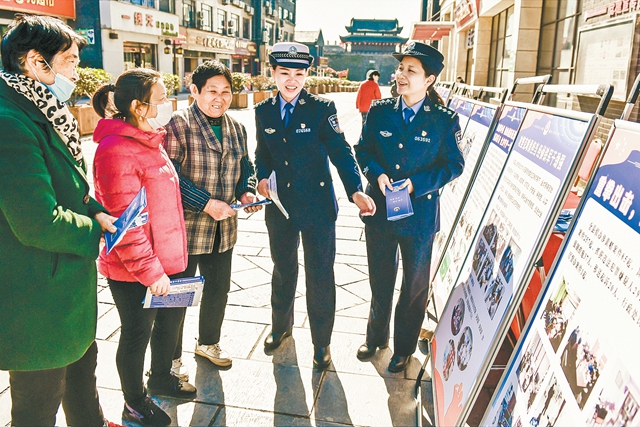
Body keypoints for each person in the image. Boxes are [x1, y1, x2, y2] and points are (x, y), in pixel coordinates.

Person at [0, 14, 121, 427]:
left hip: (64, 294)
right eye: (70, 61)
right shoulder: (9, 121)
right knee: (37, 406)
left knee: (81, 379)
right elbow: (38, 221)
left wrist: (94, 210)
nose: (77, 72)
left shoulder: (42, 107)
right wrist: (96, 232)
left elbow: (67, 185)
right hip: (37, 300)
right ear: (36, 62)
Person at [254, 42, 376, 370]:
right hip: (279, 208)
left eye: (299, 73)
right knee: (283, 271)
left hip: (318, 208)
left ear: (307, 74)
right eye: (284, 73)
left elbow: (341, 152)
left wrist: (355, 191)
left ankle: (322, 343)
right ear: (273, 74)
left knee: (320, 275)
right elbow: (262, 153)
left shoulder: (322, 108)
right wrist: (261, 177)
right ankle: (281, 328)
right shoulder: (263, 110)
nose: (292, 80)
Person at [92, 68, 198, 426]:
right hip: (136, 270)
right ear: (139, 107)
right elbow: (125, 225)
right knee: (137, 335)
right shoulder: (116, 151)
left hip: (168, 261)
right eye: (161, 98)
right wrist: (152, 273)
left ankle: (162, 378)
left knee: (169, 324)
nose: (168, 104)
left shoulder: (149, 139)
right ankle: (134, 402)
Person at [354, 41, 465, 372]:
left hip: (419, 217)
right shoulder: (380, 110)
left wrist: (417, 184)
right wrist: (378, 175)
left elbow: (453, 165)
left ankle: (403, 348)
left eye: (410, 71)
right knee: (380, 279)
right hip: (380, 212)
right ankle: (376, 339)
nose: (401, 75)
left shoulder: (444, 120)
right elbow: (364, 151)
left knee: (415, 286)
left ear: (428, 80)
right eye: (400, 68)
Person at [165, 60, 260, 370]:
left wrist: (246, 191)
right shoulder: (178, 124)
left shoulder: (237, 127)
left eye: (226, 92)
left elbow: (246, 166)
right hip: (186, 228)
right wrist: (206, 203)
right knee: (177, 296)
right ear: (195, 91)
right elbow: (171, 177)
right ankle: (170, 358)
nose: (219, 98)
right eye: (212, 91)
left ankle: (208, 342)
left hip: (224, 228)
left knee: (219, 288)